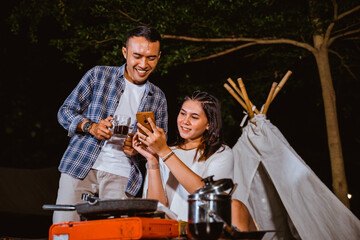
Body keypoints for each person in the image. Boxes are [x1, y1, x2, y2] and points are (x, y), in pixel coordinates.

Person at [53, 25, 168, 223]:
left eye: (151, 58)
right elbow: (64, 112)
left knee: (115, 233)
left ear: (158, 57)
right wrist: (91, 127)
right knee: (65, 230)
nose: (143, 64)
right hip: (80, 165)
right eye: (137, 56)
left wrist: (137, 149)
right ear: (125, 52)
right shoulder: (98, 75)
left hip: (123, 175)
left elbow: (159, 148)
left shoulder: (157, 97)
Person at [133, 90, 257, 231]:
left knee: (235, 206)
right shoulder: (165, 152)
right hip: (173, 228)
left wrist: (164, 152)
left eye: (194, 117)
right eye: (182, 113)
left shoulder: (221, 153)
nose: (185, 121)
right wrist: (153, 160)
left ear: (209, 124)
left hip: (205, 228)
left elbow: (210, 197)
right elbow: (158, 207)